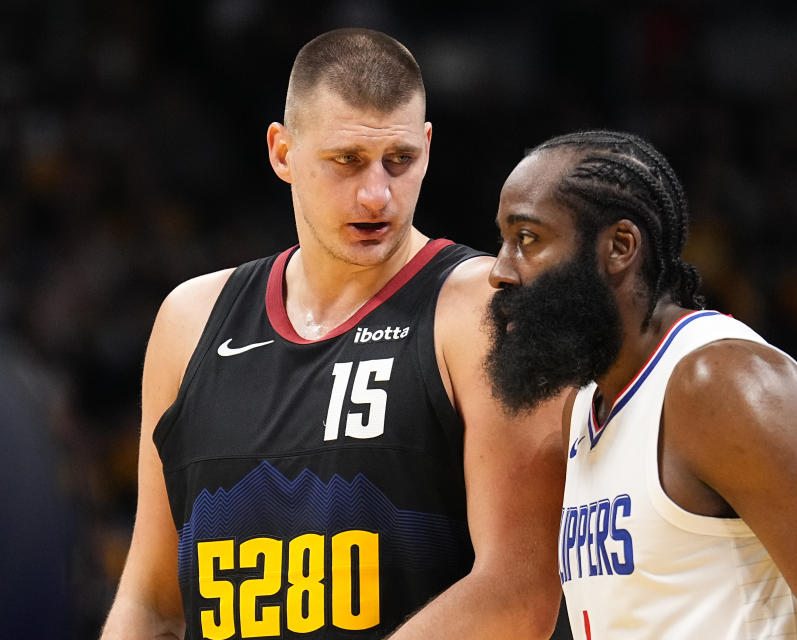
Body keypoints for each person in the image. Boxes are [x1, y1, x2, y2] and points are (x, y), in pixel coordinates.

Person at [99, 28, 568, 640]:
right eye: (346, 161)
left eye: (399, 161)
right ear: (283, 152)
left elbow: (520, 589)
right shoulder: (188, 321)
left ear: (427, 146)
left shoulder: (486, 310)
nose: (377, 194)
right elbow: (153, 600)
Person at [484, 129, 797, 639]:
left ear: (619, 247)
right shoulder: (583, 407)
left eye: (528, 238)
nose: (500, 269)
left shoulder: (724, 385)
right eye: (504, 240)